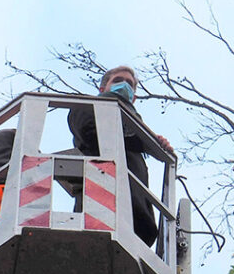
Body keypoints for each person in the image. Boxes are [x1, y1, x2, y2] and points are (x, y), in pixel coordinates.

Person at [67, 65, 173, 246]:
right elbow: (90, 132)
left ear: (134, 97)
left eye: (130, 84)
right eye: (117, 80)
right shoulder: (87, 107)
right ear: (102, 89)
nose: (124, 85)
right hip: (98, 205)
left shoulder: (137, 134)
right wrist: (144, 142)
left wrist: (156, 145)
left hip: (137, 218)